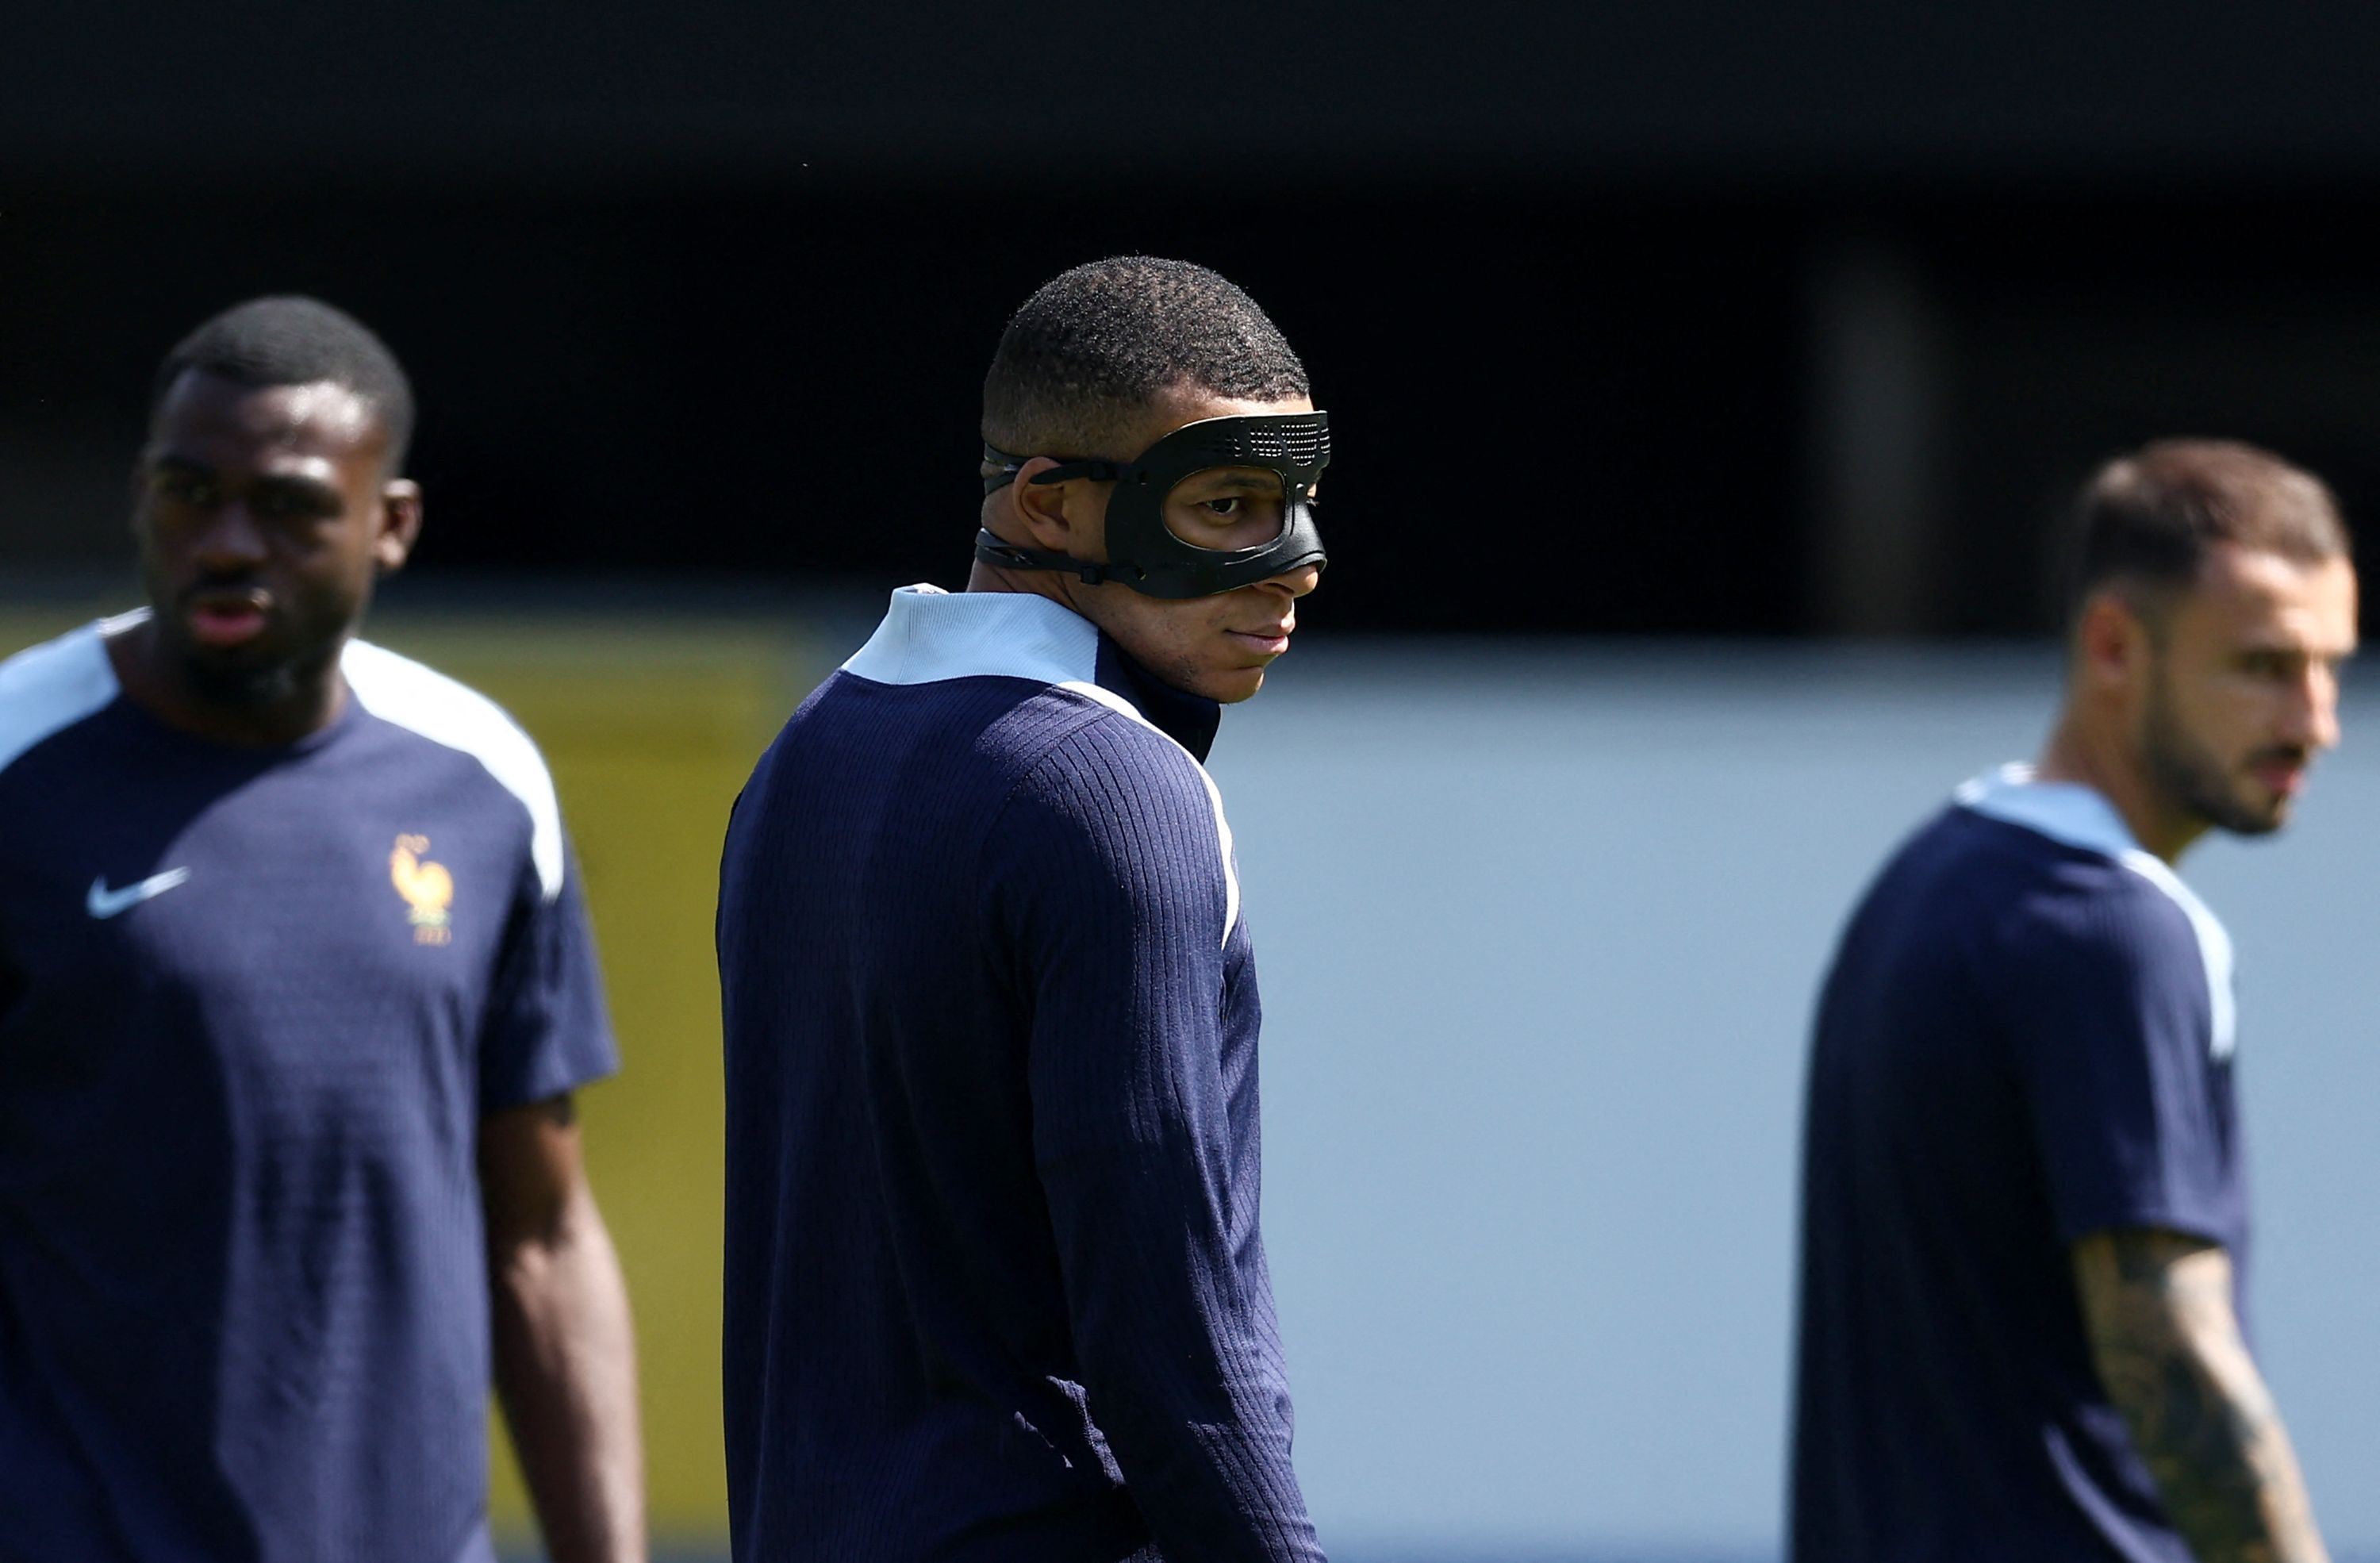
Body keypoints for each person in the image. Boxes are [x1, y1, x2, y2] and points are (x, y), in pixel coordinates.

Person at [0, 298, 644, 1563]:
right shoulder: (18, 766)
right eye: (189, 494)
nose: (227, 543)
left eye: (289, 506)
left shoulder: (482, 780)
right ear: (140, 496)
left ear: (390, 523)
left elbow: (541, 1230)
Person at [716, 255, 1330, 1561]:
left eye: (1299, 502)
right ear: (1049, 504)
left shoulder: (802, 756)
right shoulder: (1115, 790)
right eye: (1229, 504)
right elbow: (1173, 1330)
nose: (1297, 565)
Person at [1790, 440, 2351, 1562]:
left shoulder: (1929, 878)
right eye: (2263, 665)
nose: (2314, 720)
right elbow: (2176, 1358)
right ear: (2112, 647)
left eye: (2329, 666)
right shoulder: (2113, 929)